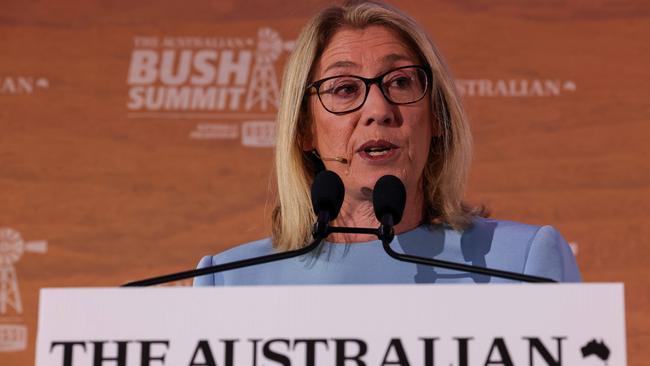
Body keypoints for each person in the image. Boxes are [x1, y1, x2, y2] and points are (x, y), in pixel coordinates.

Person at [194, 1, 580, 286]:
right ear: (304, 130)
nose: (378, 109)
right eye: (344, 89)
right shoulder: (230, 283)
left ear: (437, 118)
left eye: (400, 82)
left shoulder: (523, 264)